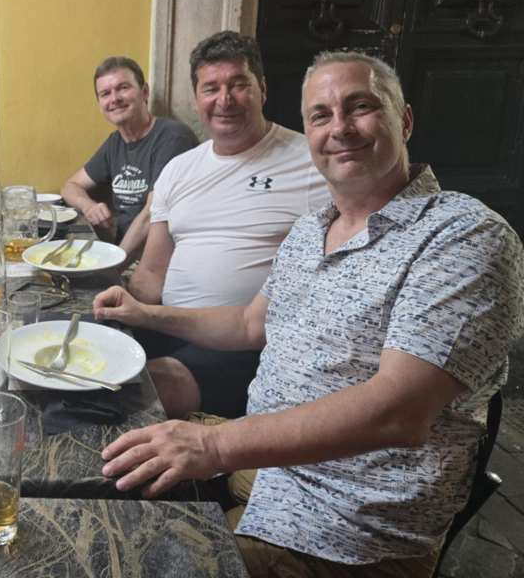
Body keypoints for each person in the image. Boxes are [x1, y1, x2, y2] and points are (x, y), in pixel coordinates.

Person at [94, 53, 524, 576]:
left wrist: (212, 444)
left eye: (360, 107)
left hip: (344, 529)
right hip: (267, 470)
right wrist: (145, 314)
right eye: (321, 115)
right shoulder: (311, 229)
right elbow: (251, 324)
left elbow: (400, 411)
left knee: (128, 564)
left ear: (405, 119)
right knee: (97, 444)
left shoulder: (463, 235)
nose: (339, 128)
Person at [129, 31, 329, 418]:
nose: (225, 100)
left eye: (238, 84)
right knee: (82, 366)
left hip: (244, 346)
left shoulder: (312, 162)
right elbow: (151, 274)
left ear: (262, 89)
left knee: (141, 391)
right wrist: (123, 312)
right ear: (196, 97)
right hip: (166, 326)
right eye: (211, 88)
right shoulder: (178, 170)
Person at [61, 56, 197, 255]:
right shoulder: (115, 142)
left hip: (158, 258)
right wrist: (89, 206)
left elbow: (153, 214)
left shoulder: (172, 137)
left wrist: (113, 265)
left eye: (123, 88)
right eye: (105, 93)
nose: (114, 99)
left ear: (145, 92)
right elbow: (70, 187)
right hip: (124, 252)